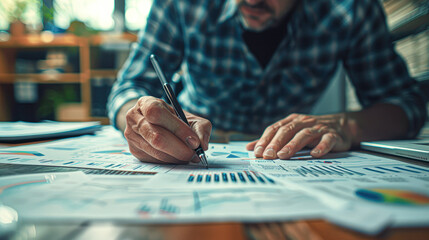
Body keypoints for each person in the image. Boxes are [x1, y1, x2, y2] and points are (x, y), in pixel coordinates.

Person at [107, 0, 427, 164]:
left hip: (295, 162)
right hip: (191, 149)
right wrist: (143, 119)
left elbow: (407, 104)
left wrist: (348, 125)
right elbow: (128, 88)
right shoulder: (181, 4)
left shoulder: (350, 9)